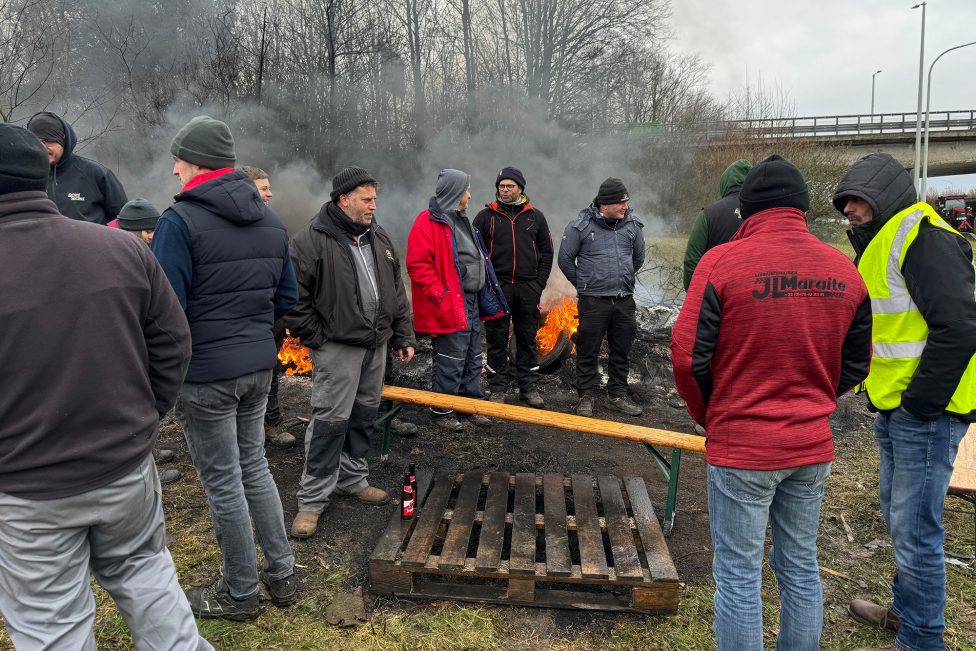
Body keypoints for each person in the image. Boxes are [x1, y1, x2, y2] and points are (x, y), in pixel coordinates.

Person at [0, 124, 211, 650]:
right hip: (124, 468)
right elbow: (173, 345)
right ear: (44, 178)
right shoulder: (121, 248)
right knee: (148, 577)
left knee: (52, 625)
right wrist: (143, 419)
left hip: (26, 490)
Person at [672, 154, 871, 651]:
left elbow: (686, 358)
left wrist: (710, 414)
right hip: (810, 444)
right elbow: (858, 360)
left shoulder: (720, 262)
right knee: (800, 565)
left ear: (747, 209)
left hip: (742, 446)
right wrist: (819, 396)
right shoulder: (842, 269)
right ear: (802, 209)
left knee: (739, 576)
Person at [152, 115, 300, 621]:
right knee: (254, 467)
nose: (173, 170)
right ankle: (282, 575)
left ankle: (239, 592)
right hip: (259, 368)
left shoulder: (178, 222)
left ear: (196, 163)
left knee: (223, 482)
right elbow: (287, 299)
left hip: (207, 375)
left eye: (178, 159)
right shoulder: (272, 221)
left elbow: (165, 309)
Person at [833, 153, 976, 651]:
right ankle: (906, 610)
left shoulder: (923, 235)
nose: (848, 209)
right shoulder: (885, 239)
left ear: (885, 194)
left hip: (926, 413)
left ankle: (920, 639)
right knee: (900, 517)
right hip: (896, 407)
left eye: (857, 200)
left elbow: (959, 327)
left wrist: (920, 404)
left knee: (916, 530)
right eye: (845, 201)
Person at [285, 166, 416, 539]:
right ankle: (311, 502)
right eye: (366, 199)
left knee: (362, 415)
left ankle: (353, 479)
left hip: (376, 345)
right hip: (338, 348)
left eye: (375, 198)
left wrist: (402, 335)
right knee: (330, 422)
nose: (374, 206)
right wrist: (320, 338)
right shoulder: (311, 240)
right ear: (343, 200)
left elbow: (396, 290)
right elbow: (293, 300)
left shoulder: (379, 237)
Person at [406, 169, 508, 431]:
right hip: (450, 301)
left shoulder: (461, 220)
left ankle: (469, 404)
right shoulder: (427, 222)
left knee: (474, 354)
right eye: (467, 190)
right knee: (451, 356)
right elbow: (417, 265)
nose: (470, 195)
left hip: (471, 300)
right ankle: (443, 410)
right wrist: (441, 293)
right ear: (455, 192)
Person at [557, 177, 645, 417]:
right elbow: (565, 259)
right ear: (605, 204)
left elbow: (638, 259)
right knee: (587, 349)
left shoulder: (633, 225)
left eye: (627, 202)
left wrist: (622, 278)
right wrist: (584, 283)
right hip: (593, 300)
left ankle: (617, 394)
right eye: (621, 202)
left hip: (624, 299)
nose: (626, 207)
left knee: (622, 350)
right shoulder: (580, 226)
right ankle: (586, 395)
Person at [112, 197, 184, 485]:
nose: (155, 236)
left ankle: (147, 451)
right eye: (149, 230)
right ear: (136, 230)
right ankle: (142, 466)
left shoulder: (124, 249)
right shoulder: (123, 258)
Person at [474, 166, 553, 408]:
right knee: (496, 338)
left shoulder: (535, 216)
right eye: (501, 186)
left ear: (520, 188)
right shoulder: (485, 216)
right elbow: (475, 253)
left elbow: (547, 252)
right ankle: (497, 387)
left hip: (528, 288)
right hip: (497, 288)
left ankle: (528, 387)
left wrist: (538, 284)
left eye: (510, 186)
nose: (504, 190)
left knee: (527, 339)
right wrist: (486, 285)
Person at [241, 165, 296, 448]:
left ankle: (271, 423)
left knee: (270, 370)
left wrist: (274, 314)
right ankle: (240, 432)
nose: (270, 194)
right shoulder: (228, 226)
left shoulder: (273, 225)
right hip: (235, 319)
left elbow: (286, 281)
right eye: (264, 188)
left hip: (269, 314)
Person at [26, 111, 127, 224]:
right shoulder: (23, 177)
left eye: (49, 140)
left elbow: (124, 220)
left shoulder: (96, 173)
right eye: (37, 141)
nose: (43, 147)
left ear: (63, 141)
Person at [682, 159, 752, 290]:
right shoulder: (764, 212)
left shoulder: (708, 214)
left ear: (725, 183)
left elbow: (691, 261)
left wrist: (697, 296)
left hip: (717, 299)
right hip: (753, 299)